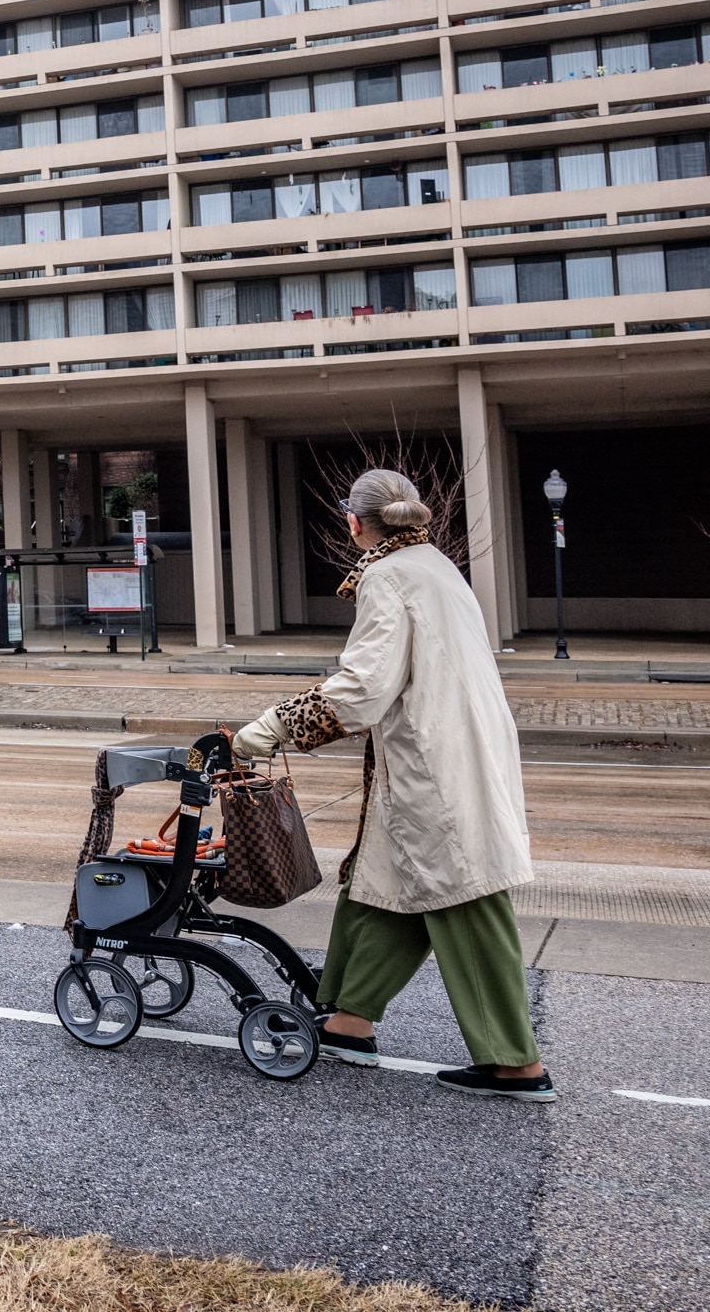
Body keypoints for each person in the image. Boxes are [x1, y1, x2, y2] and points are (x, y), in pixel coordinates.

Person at [232, 468, 552, 1101]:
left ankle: (516, 1063)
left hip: (433, 765)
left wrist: (266, 730)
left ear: (354, 522)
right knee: (385, 880)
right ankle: (350, 1019)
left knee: (465, 891)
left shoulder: (386, 577)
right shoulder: (436, 565)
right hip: (454, 751)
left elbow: (361, 691)